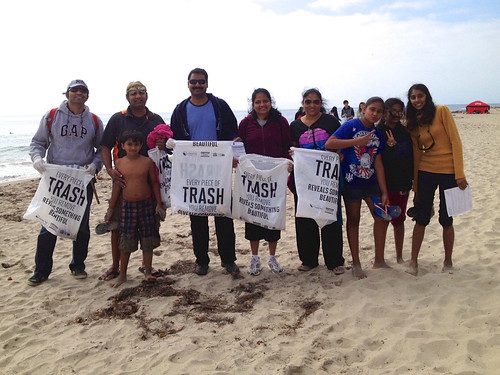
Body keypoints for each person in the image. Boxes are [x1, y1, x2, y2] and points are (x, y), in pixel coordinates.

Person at [27, 79, 104, 286]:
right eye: (74, 90)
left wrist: (95, 166)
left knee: (82, 226)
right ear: (67, 93)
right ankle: (41, 270)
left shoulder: (94, 121)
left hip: (82, 180)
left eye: (83, 91)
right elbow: (38, 143)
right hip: (55, 179)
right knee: (48, 225)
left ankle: (78, 265)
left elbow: (102, 151)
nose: (79, 93)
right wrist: (37, 160)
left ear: (87, 95)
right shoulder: (52, 116)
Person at [170, 68, 239, 276]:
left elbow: (233, 132)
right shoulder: (180, 109)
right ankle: (201, 260)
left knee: (223, 214)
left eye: (201, 82)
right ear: (188, 84)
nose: (197, 85)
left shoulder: (219, 105)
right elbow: (174, 138)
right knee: (197, 216)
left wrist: (231, 154)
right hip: (194, 169)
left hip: (218, 168)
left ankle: (228, 260)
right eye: (193, 82)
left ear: (207, 84)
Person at [99, 81, 166, 281]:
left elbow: (169, 147)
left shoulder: (156, 119)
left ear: (147, 95)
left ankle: (147, 266)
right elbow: (104, 146)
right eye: (133, 93)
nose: (138, 96)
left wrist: (165, 144)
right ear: (127, 97)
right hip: (123, 180)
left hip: (151, 180)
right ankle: (115, 266)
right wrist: (110, 169)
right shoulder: (118, 119)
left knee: (151, 224)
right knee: (117, 225)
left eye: (141, 93)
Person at [405, 83, 468, 276]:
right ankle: (413, 262)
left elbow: (455, 141)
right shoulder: (413, 121)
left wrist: (460, 174)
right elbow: (416, 153)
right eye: (413, 97)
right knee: (421, 217)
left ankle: (448, 260)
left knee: (446, 218)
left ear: (427, 96)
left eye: (420, 96)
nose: (417, 100)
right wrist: (415, 183)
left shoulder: (442, 111)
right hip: (426, 170)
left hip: (449, 171)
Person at [325, 96, 389, 279]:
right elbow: (330, 143)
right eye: (372, 109)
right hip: (351, 182)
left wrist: (384, 191)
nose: (375, 113)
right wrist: (355, 143)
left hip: (371, 183)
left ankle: (379, 259)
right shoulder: (351, 125)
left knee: (381, 216)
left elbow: (378, 163)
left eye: (379, 111)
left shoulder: (377, 134)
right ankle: (356, 262)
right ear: (364, 109)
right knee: (354, 220)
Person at [289, 88, 345, 274]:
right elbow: (292, 149)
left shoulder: (330, 121)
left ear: (321, 103)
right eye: (308, 101)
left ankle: (334, 261)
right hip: (304, 181)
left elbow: (342, 142)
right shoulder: (295, 126)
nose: (311, 105)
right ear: (303, 103)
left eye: (316, 101)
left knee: (330, 218)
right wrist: (292, 153)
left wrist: (340, 155)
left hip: (328, 180)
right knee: (305, 218)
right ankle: (309, 259)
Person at [237, 88, 291, 275]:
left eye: (265, 101)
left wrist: (288, 164)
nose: (262, 105)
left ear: (271, 102)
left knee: (272, 214)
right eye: (258, 102)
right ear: (252, 104)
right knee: (253, 217)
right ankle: (254, 258)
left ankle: (273, 257)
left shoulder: (281, 122)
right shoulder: (245, 123)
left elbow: (288, 147)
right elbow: (239, 146)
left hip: (275, 178)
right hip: (252, 178)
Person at [105, 130, 163, 287]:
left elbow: (154, 183)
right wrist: (111, 208)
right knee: (126, 242)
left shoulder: (147, 162)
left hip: (146, 205)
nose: (132, 147)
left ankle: (148, 271)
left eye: (136, 144)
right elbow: (117, 186)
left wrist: (159, 203)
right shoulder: (119, 163)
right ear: (122, 146)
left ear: (141, 145)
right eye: (129, 144)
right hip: (127, 206)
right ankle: (122, 274)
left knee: (148, 240)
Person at [377, 98, 413, 263]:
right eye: (393, 111)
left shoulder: (405, 132)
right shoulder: (377, 131)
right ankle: (380, 259)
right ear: (385, 112)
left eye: (400, 111)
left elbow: (409, 158)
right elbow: (377, 160)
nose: (396, 115)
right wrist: (390, 147)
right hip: (383, 184)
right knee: (383, 220)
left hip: (402, 182)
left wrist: (412, 182)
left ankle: (399, 256)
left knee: (399, 220)